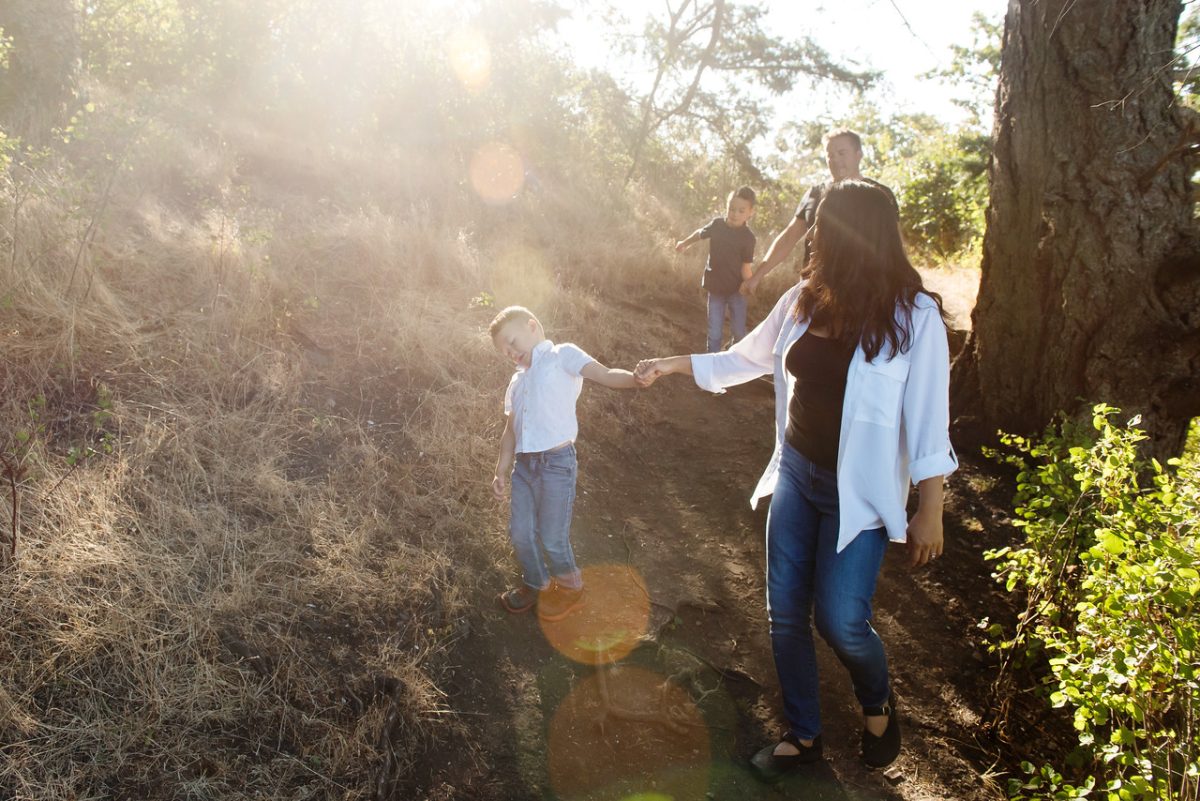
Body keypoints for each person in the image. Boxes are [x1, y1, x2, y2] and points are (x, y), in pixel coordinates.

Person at [635, 180, 956, 779]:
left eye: (822, 227)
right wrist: (674, 364)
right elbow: (745, 358)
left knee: (839, 618)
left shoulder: (916, 319)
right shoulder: (805, 300)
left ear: (854, 234)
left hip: (857, 496)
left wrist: (929, 508)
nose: (812, 238)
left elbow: (931, 422)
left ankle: (877, 696)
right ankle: (805, 737)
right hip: (796, 475)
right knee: (785, 612)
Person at [489, 305, 639, 622]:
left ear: (532, 326)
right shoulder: (517, 384)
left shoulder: (561, 356)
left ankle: (571, 588)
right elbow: (509, 431)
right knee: (520, 532)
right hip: (524, 469)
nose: (511, 352)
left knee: (552, 536)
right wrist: (501, 469)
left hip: (557, 463)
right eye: (505, 351)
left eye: (513, 342)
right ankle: (537, 583)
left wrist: (636, 379)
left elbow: (606, 374)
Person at [740, 130, 896, 296]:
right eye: (830, 155)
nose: (834, 159)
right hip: (814, 288)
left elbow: (894, 244)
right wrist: (757, 276)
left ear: (859, 155)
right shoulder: (814, 193)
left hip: (863, 289)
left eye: (841, 153)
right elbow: (788, 238)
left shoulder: (878, 195)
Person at [675, 186, 757, 352]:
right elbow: (700, 233)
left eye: (741, 211)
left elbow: (745, 267)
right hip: (716, 288)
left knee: (739, 332)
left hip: (737, 291)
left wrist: (750, 284)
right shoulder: (718, 225)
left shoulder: (748, 238)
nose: (735, 214)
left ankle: (733, 357)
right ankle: (711, 364)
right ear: (726, 207)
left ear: (750, 213)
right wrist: (684, 243)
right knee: (714, 331)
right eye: (731, 209)